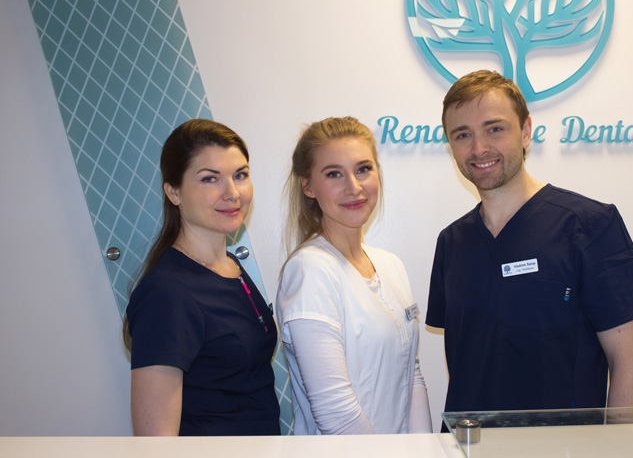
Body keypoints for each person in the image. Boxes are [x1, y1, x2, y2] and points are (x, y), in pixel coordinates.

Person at [427, 70, 633, 416]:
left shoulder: (589, 225)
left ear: (525, 131)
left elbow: (629, 363)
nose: (479, 148)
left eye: (495, 129)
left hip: (562, 442)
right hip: (468, 440)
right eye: (463, 135)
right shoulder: (452, 243)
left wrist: (619, 443)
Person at [276, 116, 433, 435]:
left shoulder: (391, 265)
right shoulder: (310, 270)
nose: (354, 187)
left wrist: (423, 449)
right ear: (308, 186)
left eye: (363, 169)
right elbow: (335, 413)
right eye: (334, 174)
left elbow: (411, 375)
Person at [124, 119, 280, 436]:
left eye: (240, 175)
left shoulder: (230, 266)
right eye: (210, 179)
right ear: (174, 192)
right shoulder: (167, 293)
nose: (232, 193)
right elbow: (155, 445)